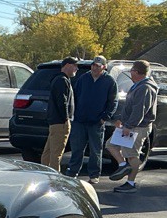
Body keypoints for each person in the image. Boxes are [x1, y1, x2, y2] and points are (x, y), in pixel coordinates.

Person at [107, 60, 159, 193]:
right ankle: (124, 165)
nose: (130, 73)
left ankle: (130, 183)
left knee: (132, 155)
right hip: (130, 125)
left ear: (137, 72)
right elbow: (130, 108)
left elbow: (139, 110)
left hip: (138, 127)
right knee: (111, 145)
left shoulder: (145, 87)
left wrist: (129, 126)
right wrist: (121, 120)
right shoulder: (138, 85)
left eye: (132, 71)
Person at [67, 56, 117, 184]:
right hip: (80, 120)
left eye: (98, 66)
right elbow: (75, 97)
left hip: (97, 122)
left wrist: (104, 118)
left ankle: (94, 175)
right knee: (77, 148)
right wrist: (73, 114)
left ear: (104, 67)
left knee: (96, 150)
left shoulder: (109, 81)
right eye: (94, 65)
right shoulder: (83, 78)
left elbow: (113, 102)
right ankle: (72, 172)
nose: (95, 67)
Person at [42, 57, 78, 172]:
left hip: (55, 122)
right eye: (75, 65)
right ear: (67, 65)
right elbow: (61, 101)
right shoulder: (62, 80)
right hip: (60, 122)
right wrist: (65, 119)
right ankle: (54, 178)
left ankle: (43, 173)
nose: (76, 69)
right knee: (56, 153)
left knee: (48, 152)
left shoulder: (60, 79)